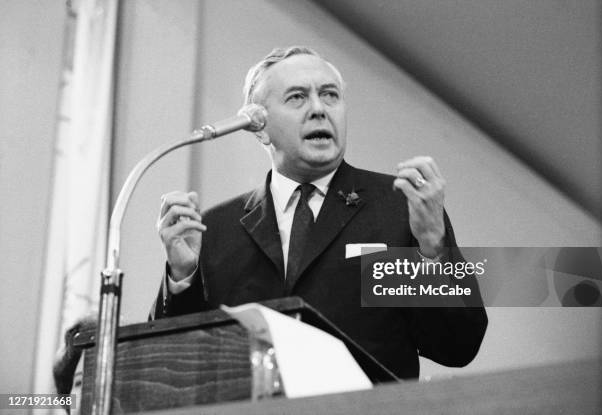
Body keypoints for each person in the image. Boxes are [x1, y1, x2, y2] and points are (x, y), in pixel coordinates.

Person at [150, 46, 487, 379]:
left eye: (330, 96)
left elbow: (457, 346)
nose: (318, 109)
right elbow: (164, 367)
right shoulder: (216, 228)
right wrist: (183, 277)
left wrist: (432, 250)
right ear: (259, 126)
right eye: (297, 97)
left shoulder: (398, 207)